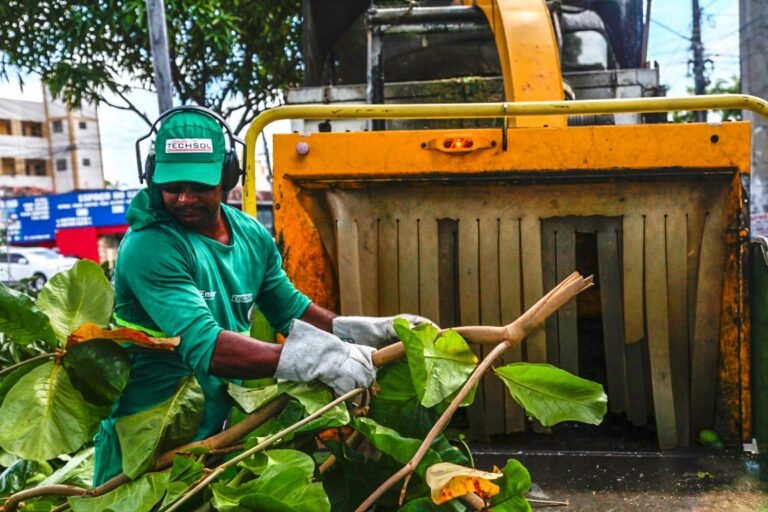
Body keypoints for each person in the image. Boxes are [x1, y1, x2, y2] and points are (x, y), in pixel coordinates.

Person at [92, 108, 431, 485]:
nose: (185, 198)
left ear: (227, 176)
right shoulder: (150, 246)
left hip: (218, 441)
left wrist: (359, 331)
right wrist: (317, 358)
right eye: (172, 186)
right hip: (145, 450)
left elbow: (290, 311)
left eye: (199, 186)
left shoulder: (251, 236)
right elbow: (208, 348)